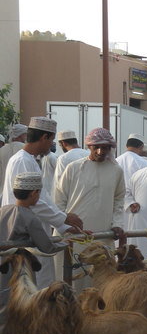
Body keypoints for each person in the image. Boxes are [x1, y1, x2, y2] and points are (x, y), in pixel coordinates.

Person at [2, 117, 83, 289]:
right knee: (33, 290)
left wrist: (64, 226)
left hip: (34, 232)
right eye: (51, 140)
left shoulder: (30, 160)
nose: (51, 145)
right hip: (25, 234)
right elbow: (34, 201)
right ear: (44, 137)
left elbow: (43, 198)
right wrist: (64, 220)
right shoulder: (22, 161)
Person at [0, 172, 70, 334]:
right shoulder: (29, 217)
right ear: (34, 194)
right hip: (14, 267)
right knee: (10, 306)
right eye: (38, 192)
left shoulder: (3, 209)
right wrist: (65, 243)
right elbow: (46, 246)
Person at [54, 127, 126, 289]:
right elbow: (59, 200)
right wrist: (64, 226)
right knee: (71, 281)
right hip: (74, 235)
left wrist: (117, 224)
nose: (100, 152)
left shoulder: (116, 171)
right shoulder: (73, 168)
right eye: (96, 147)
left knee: (100, 283)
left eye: (105, 148)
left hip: (102, 235)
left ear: (110, 148)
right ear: (89, 147)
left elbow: (119, 200)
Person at [0, 124, 27, 195]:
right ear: (21, 135)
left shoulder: (2, 150)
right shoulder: (26, 148)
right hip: (21, 192)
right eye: (25, 134)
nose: (26, 137)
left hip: (4, 191)